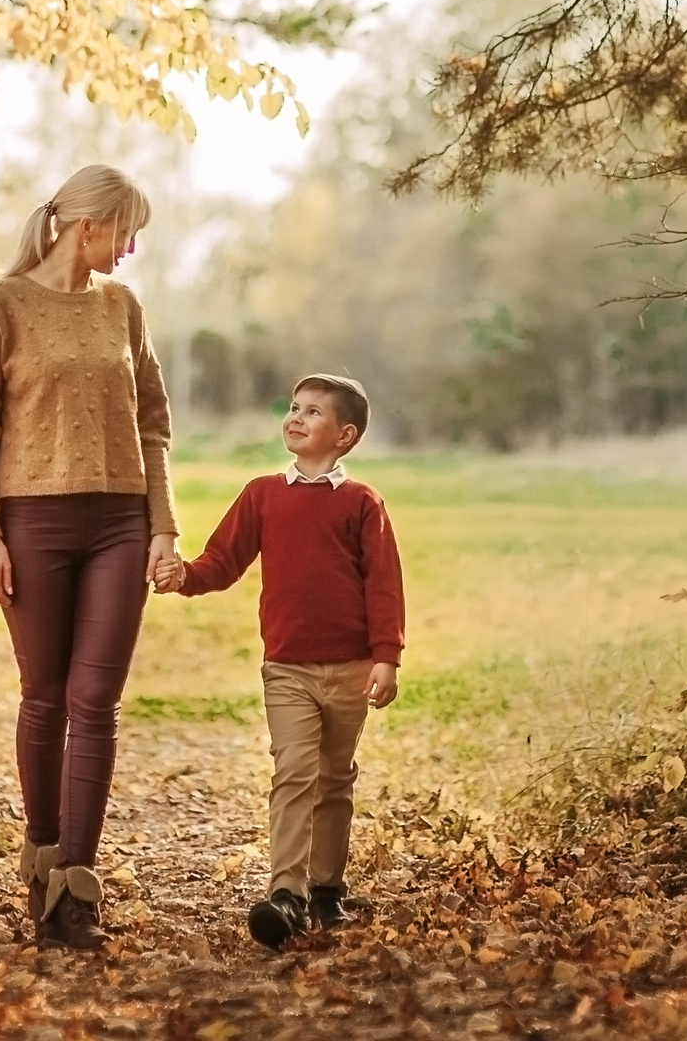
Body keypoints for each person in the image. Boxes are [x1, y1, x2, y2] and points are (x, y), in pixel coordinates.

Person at [0, 165, 178, 951]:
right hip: (32, 523)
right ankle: (41, 861)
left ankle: (77, 887)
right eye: (126, 230)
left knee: (95, 700)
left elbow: (154, 424)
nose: (133, 246)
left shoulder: (122, 308)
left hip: (120, 519)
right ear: (88, 226)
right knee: (44, 696)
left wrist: (163, 527)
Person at [163, 372, 404, 950]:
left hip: (349, 668)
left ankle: (327, 891)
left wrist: (385, 657)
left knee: (334, 779)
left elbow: (384, 585)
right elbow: (223, 561)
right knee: (294, 771)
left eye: (313, 412)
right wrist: (184, 578)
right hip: (288, 668)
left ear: (344, 436)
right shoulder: (262, 494)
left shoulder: (362, 503)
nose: (296, 418)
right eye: (293, 408)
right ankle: (286, 894)